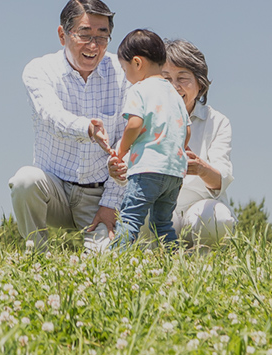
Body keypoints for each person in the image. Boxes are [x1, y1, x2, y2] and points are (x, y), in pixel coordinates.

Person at [9, 0, 128, 252]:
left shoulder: (123, 73)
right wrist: (87, 128)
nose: (93, 46)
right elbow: (50, 115)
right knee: (24, 181)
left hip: (99, 196)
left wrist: (110, 203)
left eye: (102, 36)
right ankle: (37, 257)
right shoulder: (39, 70)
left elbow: (128, 143)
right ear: (63, 35)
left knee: (103, 268)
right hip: (55, 190)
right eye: (84, 35)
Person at [89, 29, 189, 248]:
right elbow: (186, 131)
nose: (126, 75)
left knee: (130, 218)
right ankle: (176, 261)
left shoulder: (139, 89)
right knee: (162, 224)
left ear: (137, 63)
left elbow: (135, 123)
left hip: (148, 170)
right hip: (174, 173)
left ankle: (116, 262)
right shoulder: (174, 93)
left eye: (125, 69)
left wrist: (121, 151)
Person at [163, 40, 238, 246]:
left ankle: (203, 266)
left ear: (200, 84)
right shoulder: (147, 118)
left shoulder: (217, 122)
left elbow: (219, 181)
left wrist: (201, 168)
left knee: (217, 218)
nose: (174, 86)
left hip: (200, 206)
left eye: (182, 78)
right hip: (161, 207)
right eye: (166, 78)